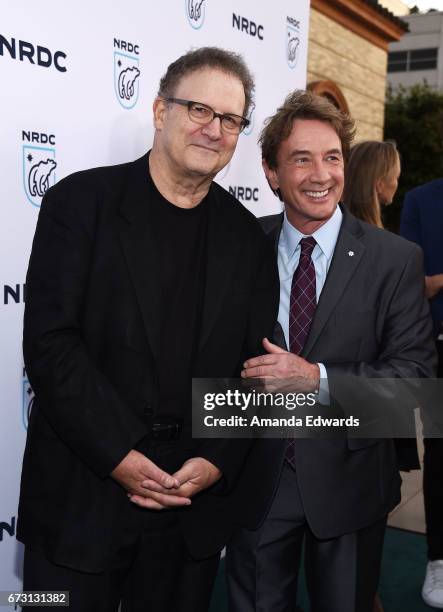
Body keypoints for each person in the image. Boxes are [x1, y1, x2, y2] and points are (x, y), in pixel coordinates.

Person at [18, 46, 279, 612]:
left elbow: (255, 370)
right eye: (199, 110)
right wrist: (121, 457)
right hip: (78, 501)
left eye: (230, 119)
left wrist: (214, 460)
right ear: (161, 111)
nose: (214, 130)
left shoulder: (247, 240)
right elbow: (50, 345)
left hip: (190, 520)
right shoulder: (78, 203)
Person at [226, 90, 436, 612]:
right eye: (301, 159)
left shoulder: (395, 260)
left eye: (332, 157)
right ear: (272, 172)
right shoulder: (239, 246)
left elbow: (413, 383)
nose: (321, 174)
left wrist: (315, 378)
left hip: (351, 484)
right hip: (259, 480)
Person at [400, 177, 443, 609]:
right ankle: (439, 558)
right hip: (438, 349)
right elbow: (416, 283)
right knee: (441, 454)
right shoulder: (421, 201)